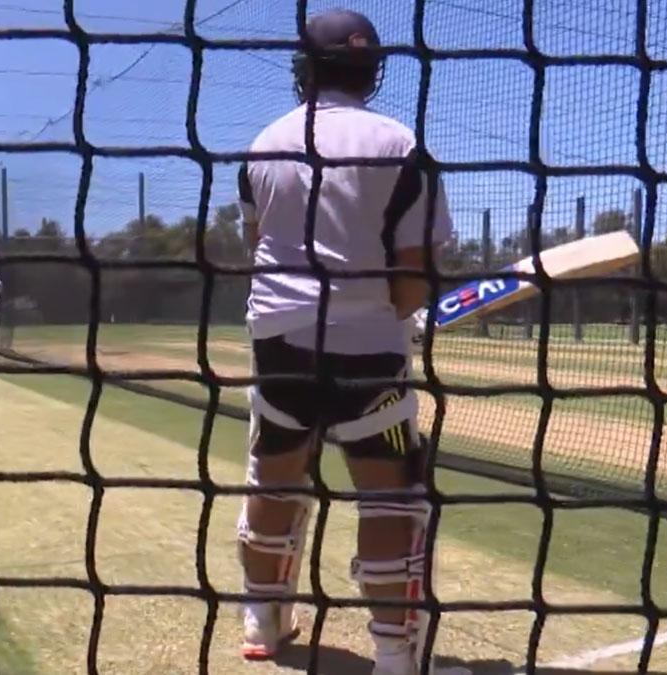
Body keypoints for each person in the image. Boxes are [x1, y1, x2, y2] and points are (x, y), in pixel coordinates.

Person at [235, 9, 465, 675]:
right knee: (392, 494)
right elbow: (413, 272)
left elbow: (259, 247)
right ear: (371, 71)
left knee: (273, 475)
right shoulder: (400, 143)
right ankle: (394, 654)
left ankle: (262, 621)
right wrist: (403, 314)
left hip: (279, 340)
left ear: (305, 68)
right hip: (369, 349)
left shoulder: (262, 144)